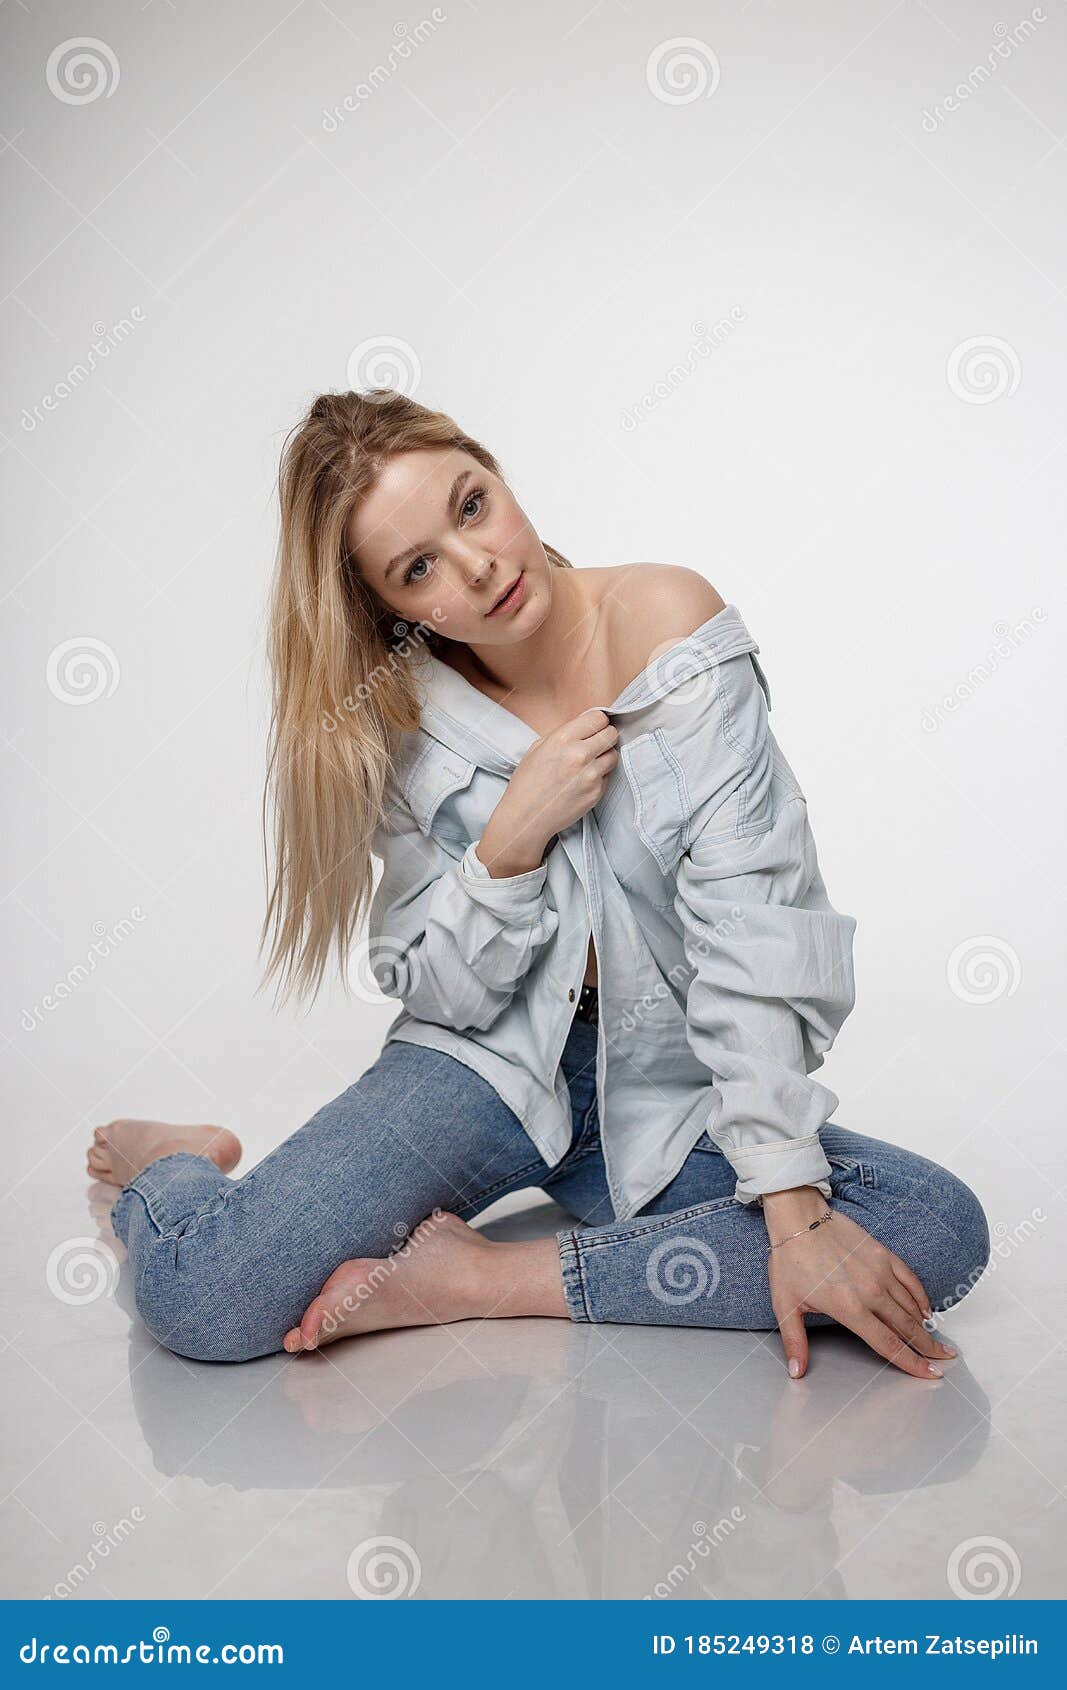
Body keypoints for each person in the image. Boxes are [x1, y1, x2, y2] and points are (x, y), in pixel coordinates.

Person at [89, 390, 989, 1374]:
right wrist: (505, 848)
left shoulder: (664, 623)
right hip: (484, 1068)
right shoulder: (399, 712)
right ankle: (170, 1160)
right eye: (418, 567)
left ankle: (470, 1281)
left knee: (930, 1225)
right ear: (388, 606)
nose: (476, 569)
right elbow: (437, 987)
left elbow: (753, 922)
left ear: (494, 471)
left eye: (470, 506)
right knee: (201, 1298)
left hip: (668, 1080)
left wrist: (791, 1211)